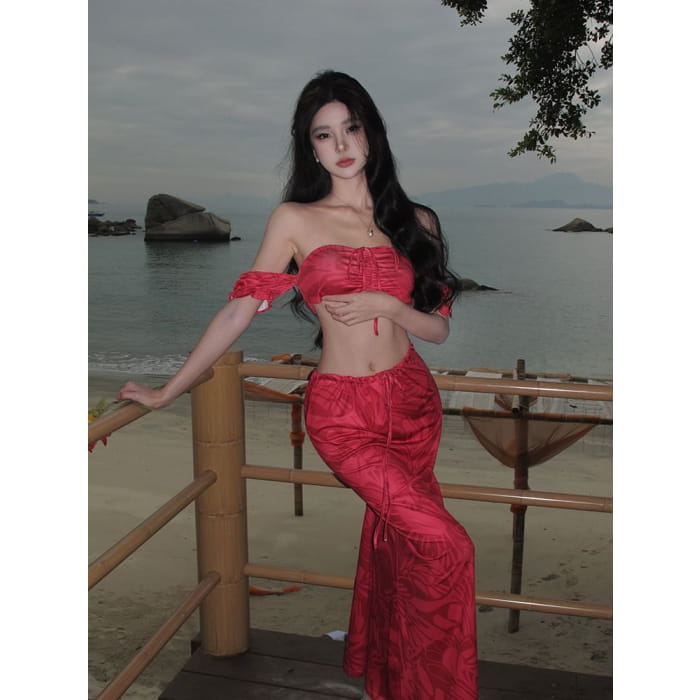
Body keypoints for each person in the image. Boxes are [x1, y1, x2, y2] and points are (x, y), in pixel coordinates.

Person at [118, 70, 478, 700]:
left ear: (371, 132)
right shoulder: (294, 219)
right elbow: (239, 312)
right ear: (309, 147)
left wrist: (390, 307)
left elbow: (439, 329)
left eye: (351, 127)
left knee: (399, 540)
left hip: (414, 404)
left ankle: (394, 677)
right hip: (344, 415)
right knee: (447, 543)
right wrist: (168, 390)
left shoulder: (415, 219)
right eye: (323, 134)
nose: (340, 144)